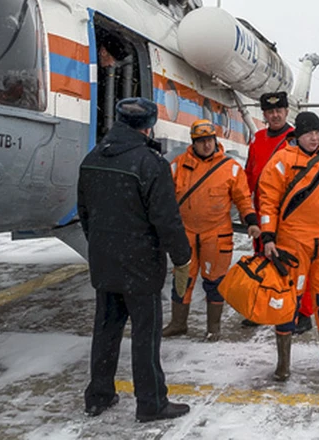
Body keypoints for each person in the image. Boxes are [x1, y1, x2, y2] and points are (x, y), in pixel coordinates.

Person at [77, 97, 193, 423]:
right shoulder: (150, 163)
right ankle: (151, 403)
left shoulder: (92, 158)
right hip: (141, 266)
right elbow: (166, 219)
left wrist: (101, 247)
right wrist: (182, 256)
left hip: (105, 264)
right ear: (148, 125)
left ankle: (98, 396)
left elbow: (85, 213)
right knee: (145, 336)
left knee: (106, 332)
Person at [258, 111, 319, 382]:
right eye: (309, 133)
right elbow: (267, 200)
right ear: (298, 135)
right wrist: (268, 236)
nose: (314, 137)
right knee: (287, 302)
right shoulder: (281, 162)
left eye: (318, 132)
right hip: (293, 244)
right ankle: (283, 363)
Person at [162, 119, 258, 342]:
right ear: (193, 143)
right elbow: (164, 197)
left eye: (210, 140)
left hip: (216, 235)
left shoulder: (231, 168)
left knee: (214, 282)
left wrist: (251, 221)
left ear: (216, 141)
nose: (206, 145)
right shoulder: (177, 165)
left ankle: (213, 328)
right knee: (182, 279)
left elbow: (243, 199)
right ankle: (178, 324)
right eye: (201, 141)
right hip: (185, 234)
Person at [242, 91, 315, 335]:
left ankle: (302, 313)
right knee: (263, 261)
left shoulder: (296, 139)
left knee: (295, 266)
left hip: (290, 216)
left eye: (279, 111)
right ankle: (262, 307)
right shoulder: (258, 139)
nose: (275, 115)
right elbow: (249, 175)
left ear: (286, 112)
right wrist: (247, 210)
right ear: (263, 114)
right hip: (263, 214)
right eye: (270, 112)